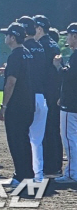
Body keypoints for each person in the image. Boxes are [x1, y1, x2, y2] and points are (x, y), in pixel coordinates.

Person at [0, 23, 35, 187]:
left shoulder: (14, 56)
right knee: (24, 140)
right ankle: (27, 173)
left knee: (16, 140)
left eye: (7, 35)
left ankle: (20, 175)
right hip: (28, 103)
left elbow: (11, 83)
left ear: (13, 37)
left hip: (17, 105)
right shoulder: (27, 53)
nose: (6, 37)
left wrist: (4, 106)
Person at [17, 15, 48, 183]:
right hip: (41, 96)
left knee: (23, 138)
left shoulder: (24, 48)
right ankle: (39, 174)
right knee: (37, 139)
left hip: (28, 96)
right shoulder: (40, 46)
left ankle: (26, 174)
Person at [35, 15, 63, 178]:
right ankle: (54, 166)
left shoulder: (44, 45)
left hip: (47, 93)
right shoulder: (52, 43)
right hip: (53, 93)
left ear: (39, 28)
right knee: (52, 129)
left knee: (47, 130)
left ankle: (50, 167)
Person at [54, 23, 77, 183]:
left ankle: (72, 173)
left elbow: (70, 77)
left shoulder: (75, 55)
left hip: (72, 104)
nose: (66, 38)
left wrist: (59, 66)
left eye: (68, 35)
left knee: (70, 139)